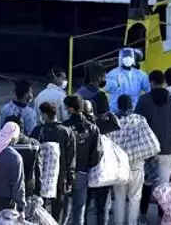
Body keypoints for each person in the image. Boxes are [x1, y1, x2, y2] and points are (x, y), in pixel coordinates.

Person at [136, 70, 171, 223]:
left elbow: (137, 125)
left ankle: (143, 215)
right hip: (168, 150)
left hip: (148, 150)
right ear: (164, 82)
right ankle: (162, 216)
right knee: (164, 186)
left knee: (146, 183)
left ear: (151, 82)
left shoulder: (143, 101)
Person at [31, 101, 76, 224]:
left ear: (44, 115)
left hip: (40, 179)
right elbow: (71, 158)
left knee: (40, 210)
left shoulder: (38, 131)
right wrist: (70, 179)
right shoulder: (66, 132)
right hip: (60, 178)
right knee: (59, 211)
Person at [62, 94, 102, 225]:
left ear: (71, 109)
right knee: (79, 208)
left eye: (66, 107)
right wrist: (87, 166)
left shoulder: (64, 128)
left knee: (63, 208)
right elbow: (97, 153)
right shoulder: (92, 128)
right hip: (82, 173)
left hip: (64, 174)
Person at [113, 95, 147, 225]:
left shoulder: (113, 120)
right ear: (132, 105)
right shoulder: (139, 120)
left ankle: (118, 222)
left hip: (119, 165)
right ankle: (132, 222)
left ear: (118, 105)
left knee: (119, 197)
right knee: (135, 197)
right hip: (136, 163)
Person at [89, 91, 119, 225]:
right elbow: (117, 124)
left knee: (88, 203)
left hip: (90, 168)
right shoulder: (108, 124)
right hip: (106, 170)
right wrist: (110, 113)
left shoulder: (91, 124)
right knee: (103, 206)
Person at [4, 115, 42, 198]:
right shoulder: (33, 144)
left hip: (5, 190)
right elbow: (38, 170)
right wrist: (38, 191)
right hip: (28, 187)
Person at [105, 47, 150, 111]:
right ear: (121, 58)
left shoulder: (140, 75)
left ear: (134, 58)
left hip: (134, 111)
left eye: (130, 56)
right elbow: (108, 88)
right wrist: (116, 84)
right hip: (117, 111)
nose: (128, 58)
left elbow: (149, 88)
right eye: (125, 56)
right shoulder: (113, 73)